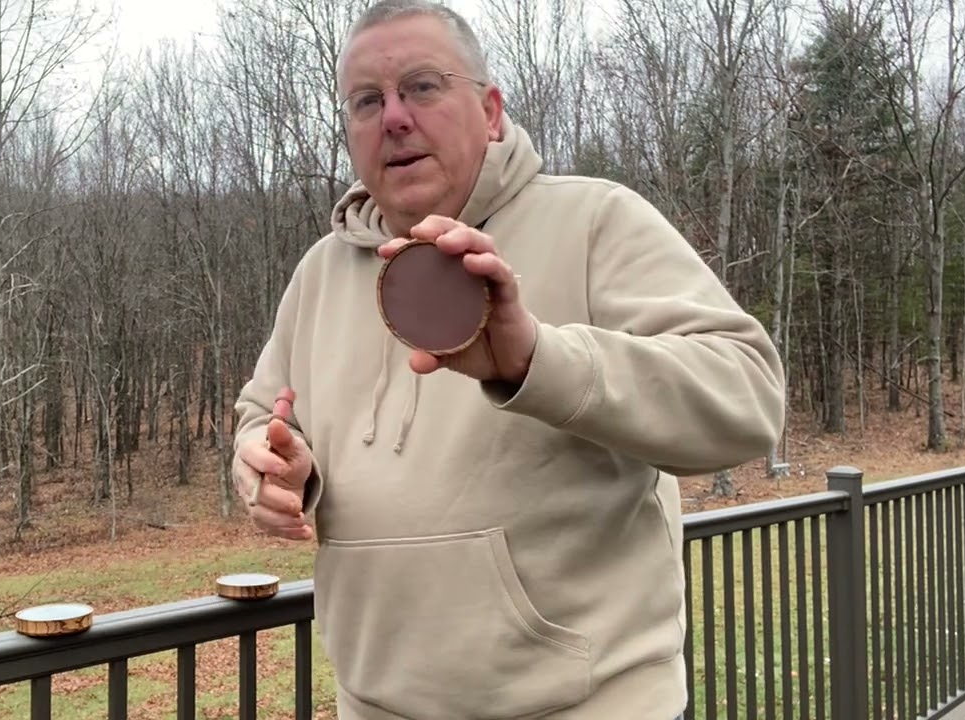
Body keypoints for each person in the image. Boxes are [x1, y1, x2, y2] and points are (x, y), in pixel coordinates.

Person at [231, 1, 786, 718]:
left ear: (490, 111)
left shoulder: (595, 220)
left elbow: (747, 397)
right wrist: (269, 462)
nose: (394, 117)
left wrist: (535, 362)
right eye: (367, 100)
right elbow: (261, 411)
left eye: (422, 87)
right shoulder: (319, 272)